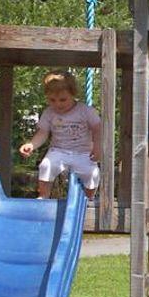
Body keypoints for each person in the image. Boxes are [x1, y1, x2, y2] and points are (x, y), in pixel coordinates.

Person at [20, 71, 103, 203]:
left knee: (92, 173)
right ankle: (43, 196)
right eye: (52, 100)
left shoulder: (85, 111)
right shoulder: (49, 113)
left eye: (63, 99)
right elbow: (43, 132)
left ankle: (88, 198)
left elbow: (98, 129)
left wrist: (97, 147)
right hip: (58, 150)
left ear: (73, 94)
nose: (58, 104)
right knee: (46, 166)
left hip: (83, 152)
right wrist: (31, 145)